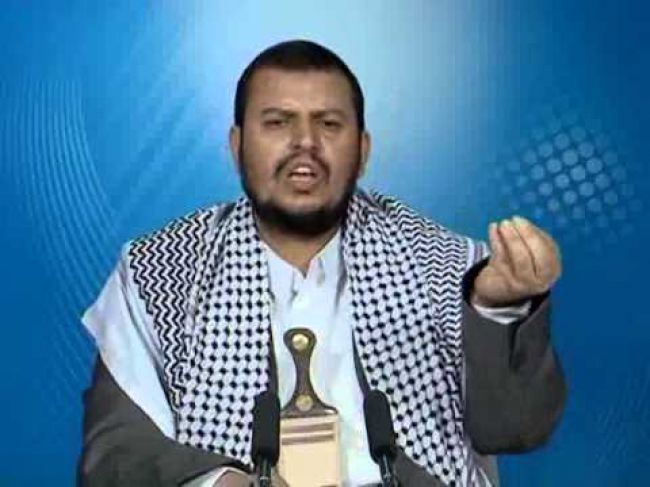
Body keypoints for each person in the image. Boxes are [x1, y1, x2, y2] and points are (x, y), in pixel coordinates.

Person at [78, 40, 566, 486]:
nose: (305, 143)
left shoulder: (447, 266)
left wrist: (499, 309)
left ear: (363, 150)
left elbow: (515, 429)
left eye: (329, 124)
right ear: (237, 146)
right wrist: (222, 484)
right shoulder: (159, 271)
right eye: (278, 122)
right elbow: (114, 455)